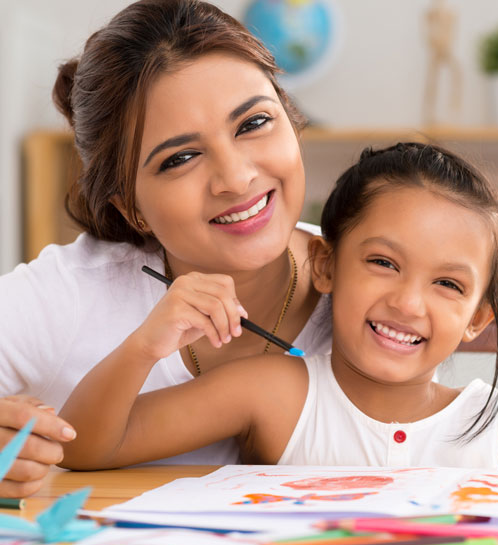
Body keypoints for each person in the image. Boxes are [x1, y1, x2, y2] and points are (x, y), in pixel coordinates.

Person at [0, 0, 331, 497]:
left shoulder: (370, 278)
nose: (235, 178)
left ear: (292, 118)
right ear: (130, 206)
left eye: (253, 123)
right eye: (180, 158)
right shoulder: (72, 292)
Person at [59, 142, 498, 470]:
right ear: (325, 266)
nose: (408, 302)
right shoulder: (272, 394)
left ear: (477, 318)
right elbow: (86, 447)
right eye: (383, 262)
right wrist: (145, 346)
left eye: (448, 284)